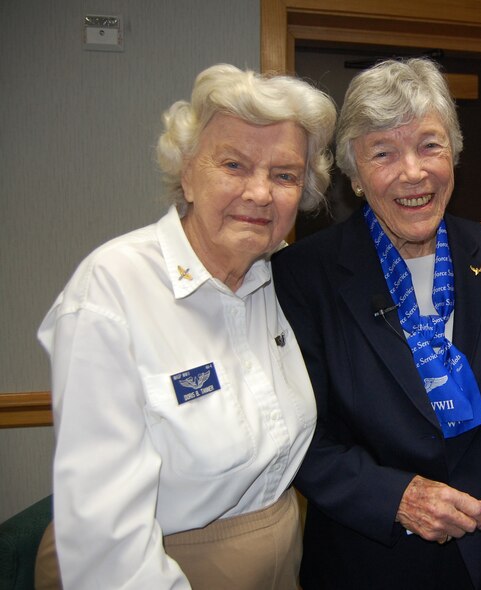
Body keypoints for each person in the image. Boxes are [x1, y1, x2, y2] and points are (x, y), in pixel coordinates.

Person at [34, 63, 336, 589]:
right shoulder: (112, 289)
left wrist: (480, 248)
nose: (261, 193)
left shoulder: (280, 280)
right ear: (187, 173)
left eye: (285, 175)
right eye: (234, 165)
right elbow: (106, 540)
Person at [272, 57, 481, 589]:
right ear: (355, 177)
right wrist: (400, 498)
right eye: (383, 153)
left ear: (453, 153)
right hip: (366, 561)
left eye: (429, 145)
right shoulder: (303, 275)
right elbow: (300, 440)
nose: (413, 172)